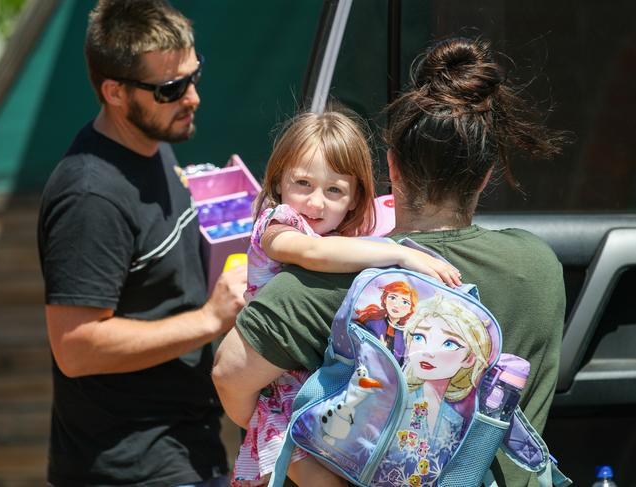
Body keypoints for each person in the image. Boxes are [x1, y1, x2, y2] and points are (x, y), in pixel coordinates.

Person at [213, 36, 567, 487]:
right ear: (485, 175)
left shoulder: (330, 283)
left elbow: (229, 374)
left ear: (392, 167)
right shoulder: (538, 266)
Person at [37, 1, 246, 486]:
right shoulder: (90, 195)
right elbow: (76, 347)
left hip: (186, 445)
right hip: (130, 466)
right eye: (170, 89)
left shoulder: (151, 145)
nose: (191, 97)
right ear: (114, 91)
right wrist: (210, 319)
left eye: (194, 76)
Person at [232, 110, 461, 487]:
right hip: (282, 394)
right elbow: (310, 254)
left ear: (355, 199)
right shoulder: (277, 224)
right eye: (302, 183)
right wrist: (401, 254)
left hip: (326, 388)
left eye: (334, 190)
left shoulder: (343, 240)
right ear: (278, 184)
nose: (316, 203)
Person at [373, 293, 493, 485]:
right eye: (419, 337)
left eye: (449, 343)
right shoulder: (394, 400)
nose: (428, 351)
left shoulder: (455, 419)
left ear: (469, 358)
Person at [355, 280, 419, 364]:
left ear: (410, 308)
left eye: (405, 302)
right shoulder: (372, 322)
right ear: (385, 299)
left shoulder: (407, 334)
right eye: (392, 298)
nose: (397, 305)